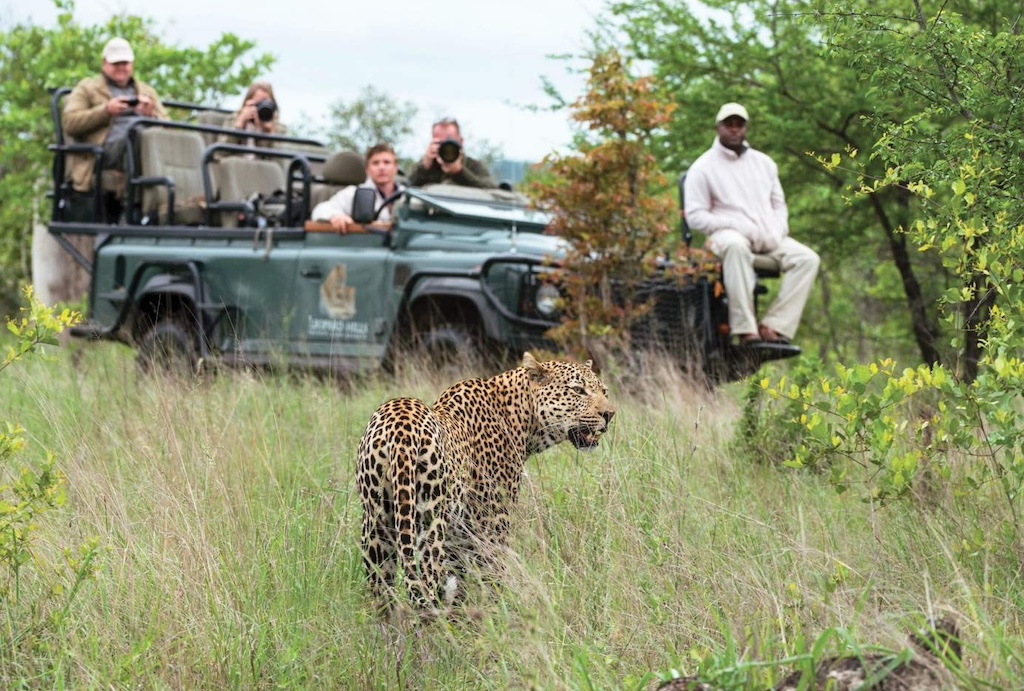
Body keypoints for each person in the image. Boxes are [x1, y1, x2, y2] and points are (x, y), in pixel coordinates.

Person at [683, 102, 819, 345]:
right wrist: (735, 225)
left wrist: (777, 231)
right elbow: (695, 215)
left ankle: (774, 326)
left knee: (808, 259)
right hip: (725, 236)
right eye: (729, 124)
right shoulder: (702, 168)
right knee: (735, 247)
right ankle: (745, 329)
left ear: (745, 128)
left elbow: (779, 205)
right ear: (718, 127)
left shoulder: (765, 164)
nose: (734, 129)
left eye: (739, 124)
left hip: (768, 238)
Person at [62, 37, 167, 219]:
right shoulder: (87, 88)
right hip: (104, 151)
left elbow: (169, 127)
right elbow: (70, 122)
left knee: (148, 136)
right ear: (105, 64)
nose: (121, 67)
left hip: (143, 148)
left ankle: (166, 202)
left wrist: (151, 116)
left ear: (132, 64)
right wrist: (106, 111)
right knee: (136, 134)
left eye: (125, 63)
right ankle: (132, 205)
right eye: (116, 63)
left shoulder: (146, 91)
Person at [311, 143, 404, 232]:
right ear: (367, 170)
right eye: (375, 163)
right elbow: (321, 209)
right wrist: (336, 217)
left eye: (387, 162)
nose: (381, 167)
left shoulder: (408, 195)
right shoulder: (353, 193)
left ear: (395, 167)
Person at [407, 117, 497, 189]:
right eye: (440, 143)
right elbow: (406, 186)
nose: (446, 148)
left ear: (460, 142)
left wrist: (460, 172)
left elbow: (491, 189)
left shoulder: (473, 166)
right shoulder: (428, 166)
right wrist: (424, 166)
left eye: (450, 142)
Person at [220, 81, 284, 150]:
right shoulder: (233, 119)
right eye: (258, 104)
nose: (261, 109)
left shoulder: (278, 127)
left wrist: (269, 132)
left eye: (266, 105)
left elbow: (279, 158)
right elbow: (220, 152)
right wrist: (239, 125)